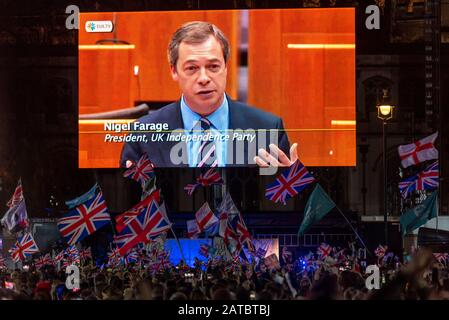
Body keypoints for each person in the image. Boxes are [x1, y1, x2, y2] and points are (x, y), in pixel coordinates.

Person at [120, 21, 298, 168]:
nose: (204, 78)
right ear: (174, 71)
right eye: (192, 68)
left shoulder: (268, 128)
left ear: (226, 67)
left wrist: (290, 184)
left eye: (213, 66)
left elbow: (295, 205)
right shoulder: (143, 133)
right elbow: (125, 206)